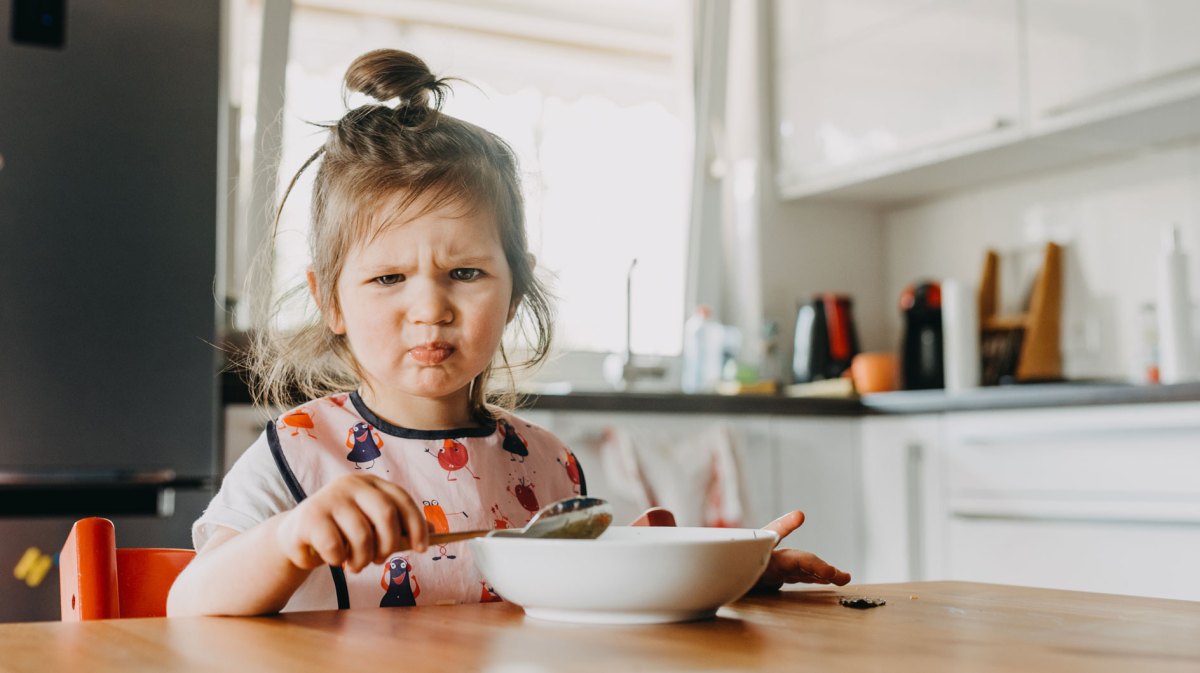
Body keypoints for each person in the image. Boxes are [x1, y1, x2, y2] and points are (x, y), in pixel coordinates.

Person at [167, 49, 849, 617]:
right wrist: (290, 538)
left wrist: (721, 573)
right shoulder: (297, 453)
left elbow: (583, 602)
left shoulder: (547, 465)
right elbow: (189, 606)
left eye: (464, 272)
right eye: (387, 278)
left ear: (515, 286)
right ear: (331, 301)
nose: (429, 307)